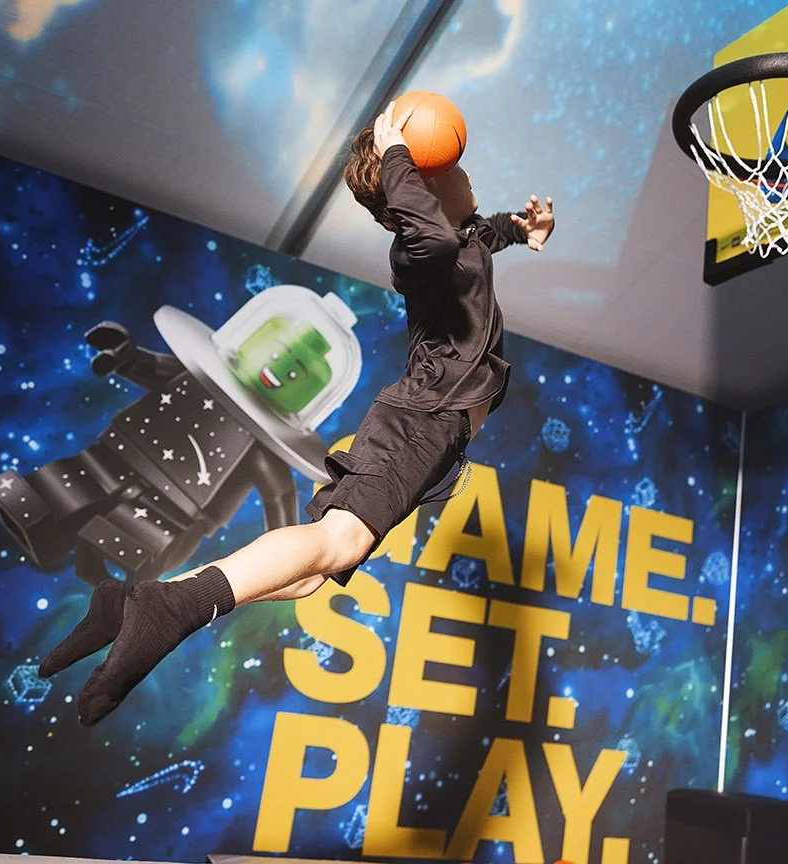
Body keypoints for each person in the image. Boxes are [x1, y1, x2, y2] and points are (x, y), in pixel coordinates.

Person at [38, 100, 556, 726]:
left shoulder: (460, 239)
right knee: (338, 542)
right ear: (420, 188)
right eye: (452, 169)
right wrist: (396, 155)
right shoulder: (419, 253)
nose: (468, 173)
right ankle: (172, 611)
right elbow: (437, 235)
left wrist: (520, 230)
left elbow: (474, 234)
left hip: (436, 432)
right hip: (423, 419)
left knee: (312, 576)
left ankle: (134, 603)